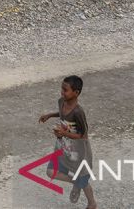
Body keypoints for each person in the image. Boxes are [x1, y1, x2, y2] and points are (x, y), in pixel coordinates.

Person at [39, 75, 96, 209]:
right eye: (62, 89)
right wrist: (49, 115)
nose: (62, 92)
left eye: (65, 90)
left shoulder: (78, 112)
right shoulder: (61, 101)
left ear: (76, 93)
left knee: (82, 179)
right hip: (64, 146)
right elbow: (62, 112)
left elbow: (83, 135)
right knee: (51, 171)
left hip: (79, 150)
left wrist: (64, 133)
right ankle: (75, 183)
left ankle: (92, 203)